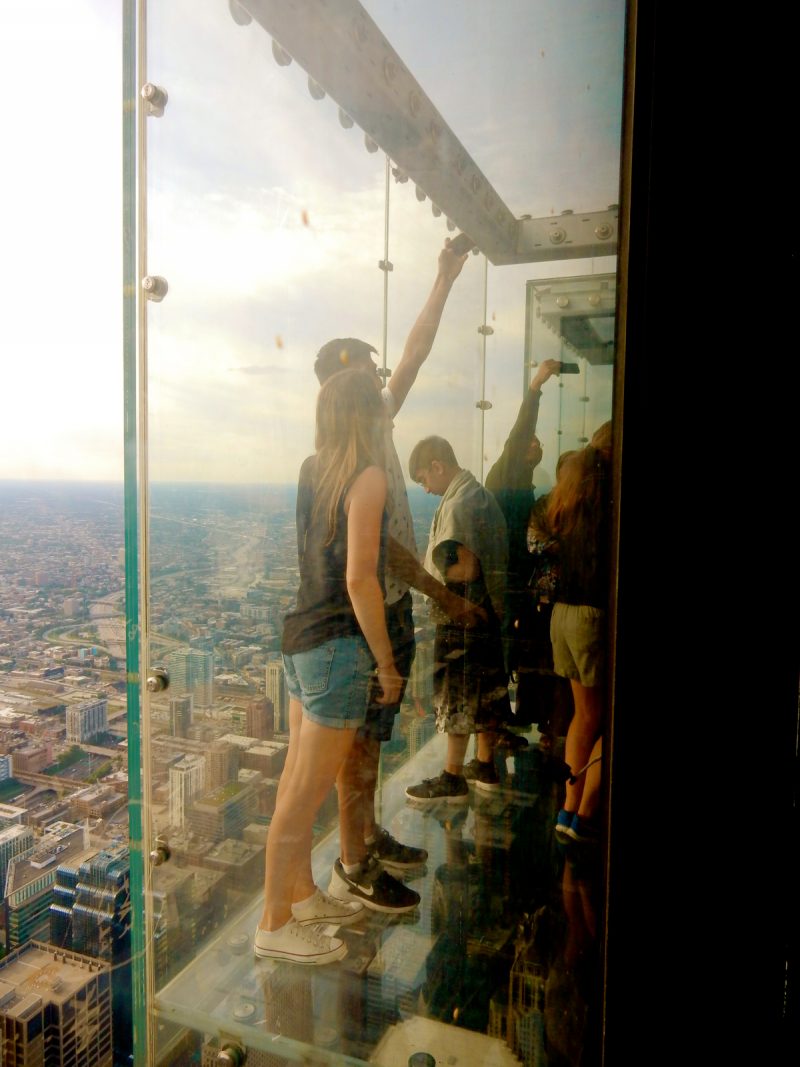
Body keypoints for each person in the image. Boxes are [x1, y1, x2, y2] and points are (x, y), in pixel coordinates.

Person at [312, 242, 479, 912]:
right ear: (347, 387)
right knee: (357, 742)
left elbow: (415, 352)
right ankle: (352, 861)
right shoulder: (349, 460)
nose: (386, 383)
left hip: (388, 607)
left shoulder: (364, 435)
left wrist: (440, 280)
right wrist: (436, 598)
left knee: (371, 741)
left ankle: (366, 837)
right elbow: (376, 561)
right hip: (366, 617)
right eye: (371, 377)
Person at [254, 370, 403, 964]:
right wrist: (386, 663)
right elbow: (359, 578)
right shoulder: (368, 477)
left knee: (296, 785)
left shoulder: (312, 469)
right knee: (301, 796)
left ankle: (301, 896)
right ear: (368, 416)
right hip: (339, 646)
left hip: (300, 639)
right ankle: (274, 922)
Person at [404, 436, 511, 801]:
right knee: (486, 693)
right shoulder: (480, 495)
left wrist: (438, 583)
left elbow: (466, 567)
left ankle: (452, 776)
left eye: (423, 479)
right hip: (488, 613)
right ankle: (484, 763)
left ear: (438, 466)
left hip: (463, 613)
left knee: (458, 695)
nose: (425, 488)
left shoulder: (457, 505)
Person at [484, 357, 562, 748]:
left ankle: (502, 719)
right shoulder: (510, 471)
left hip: (510, 574)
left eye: (538, 444)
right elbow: (520, 432)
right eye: (530, 443)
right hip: (504, 575)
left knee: (509, 645)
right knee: (502, 645)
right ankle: (495, 724)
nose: (535, 443)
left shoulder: (520, 478)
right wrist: (536, 387)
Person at [547, 422, 612, 844]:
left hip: (563, 615)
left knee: (581, 717)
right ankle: (586, 815)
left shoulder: (571, 501)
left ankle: (567, 811)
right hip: (591, 615)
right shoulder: (607, 500)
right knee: (605, 717)